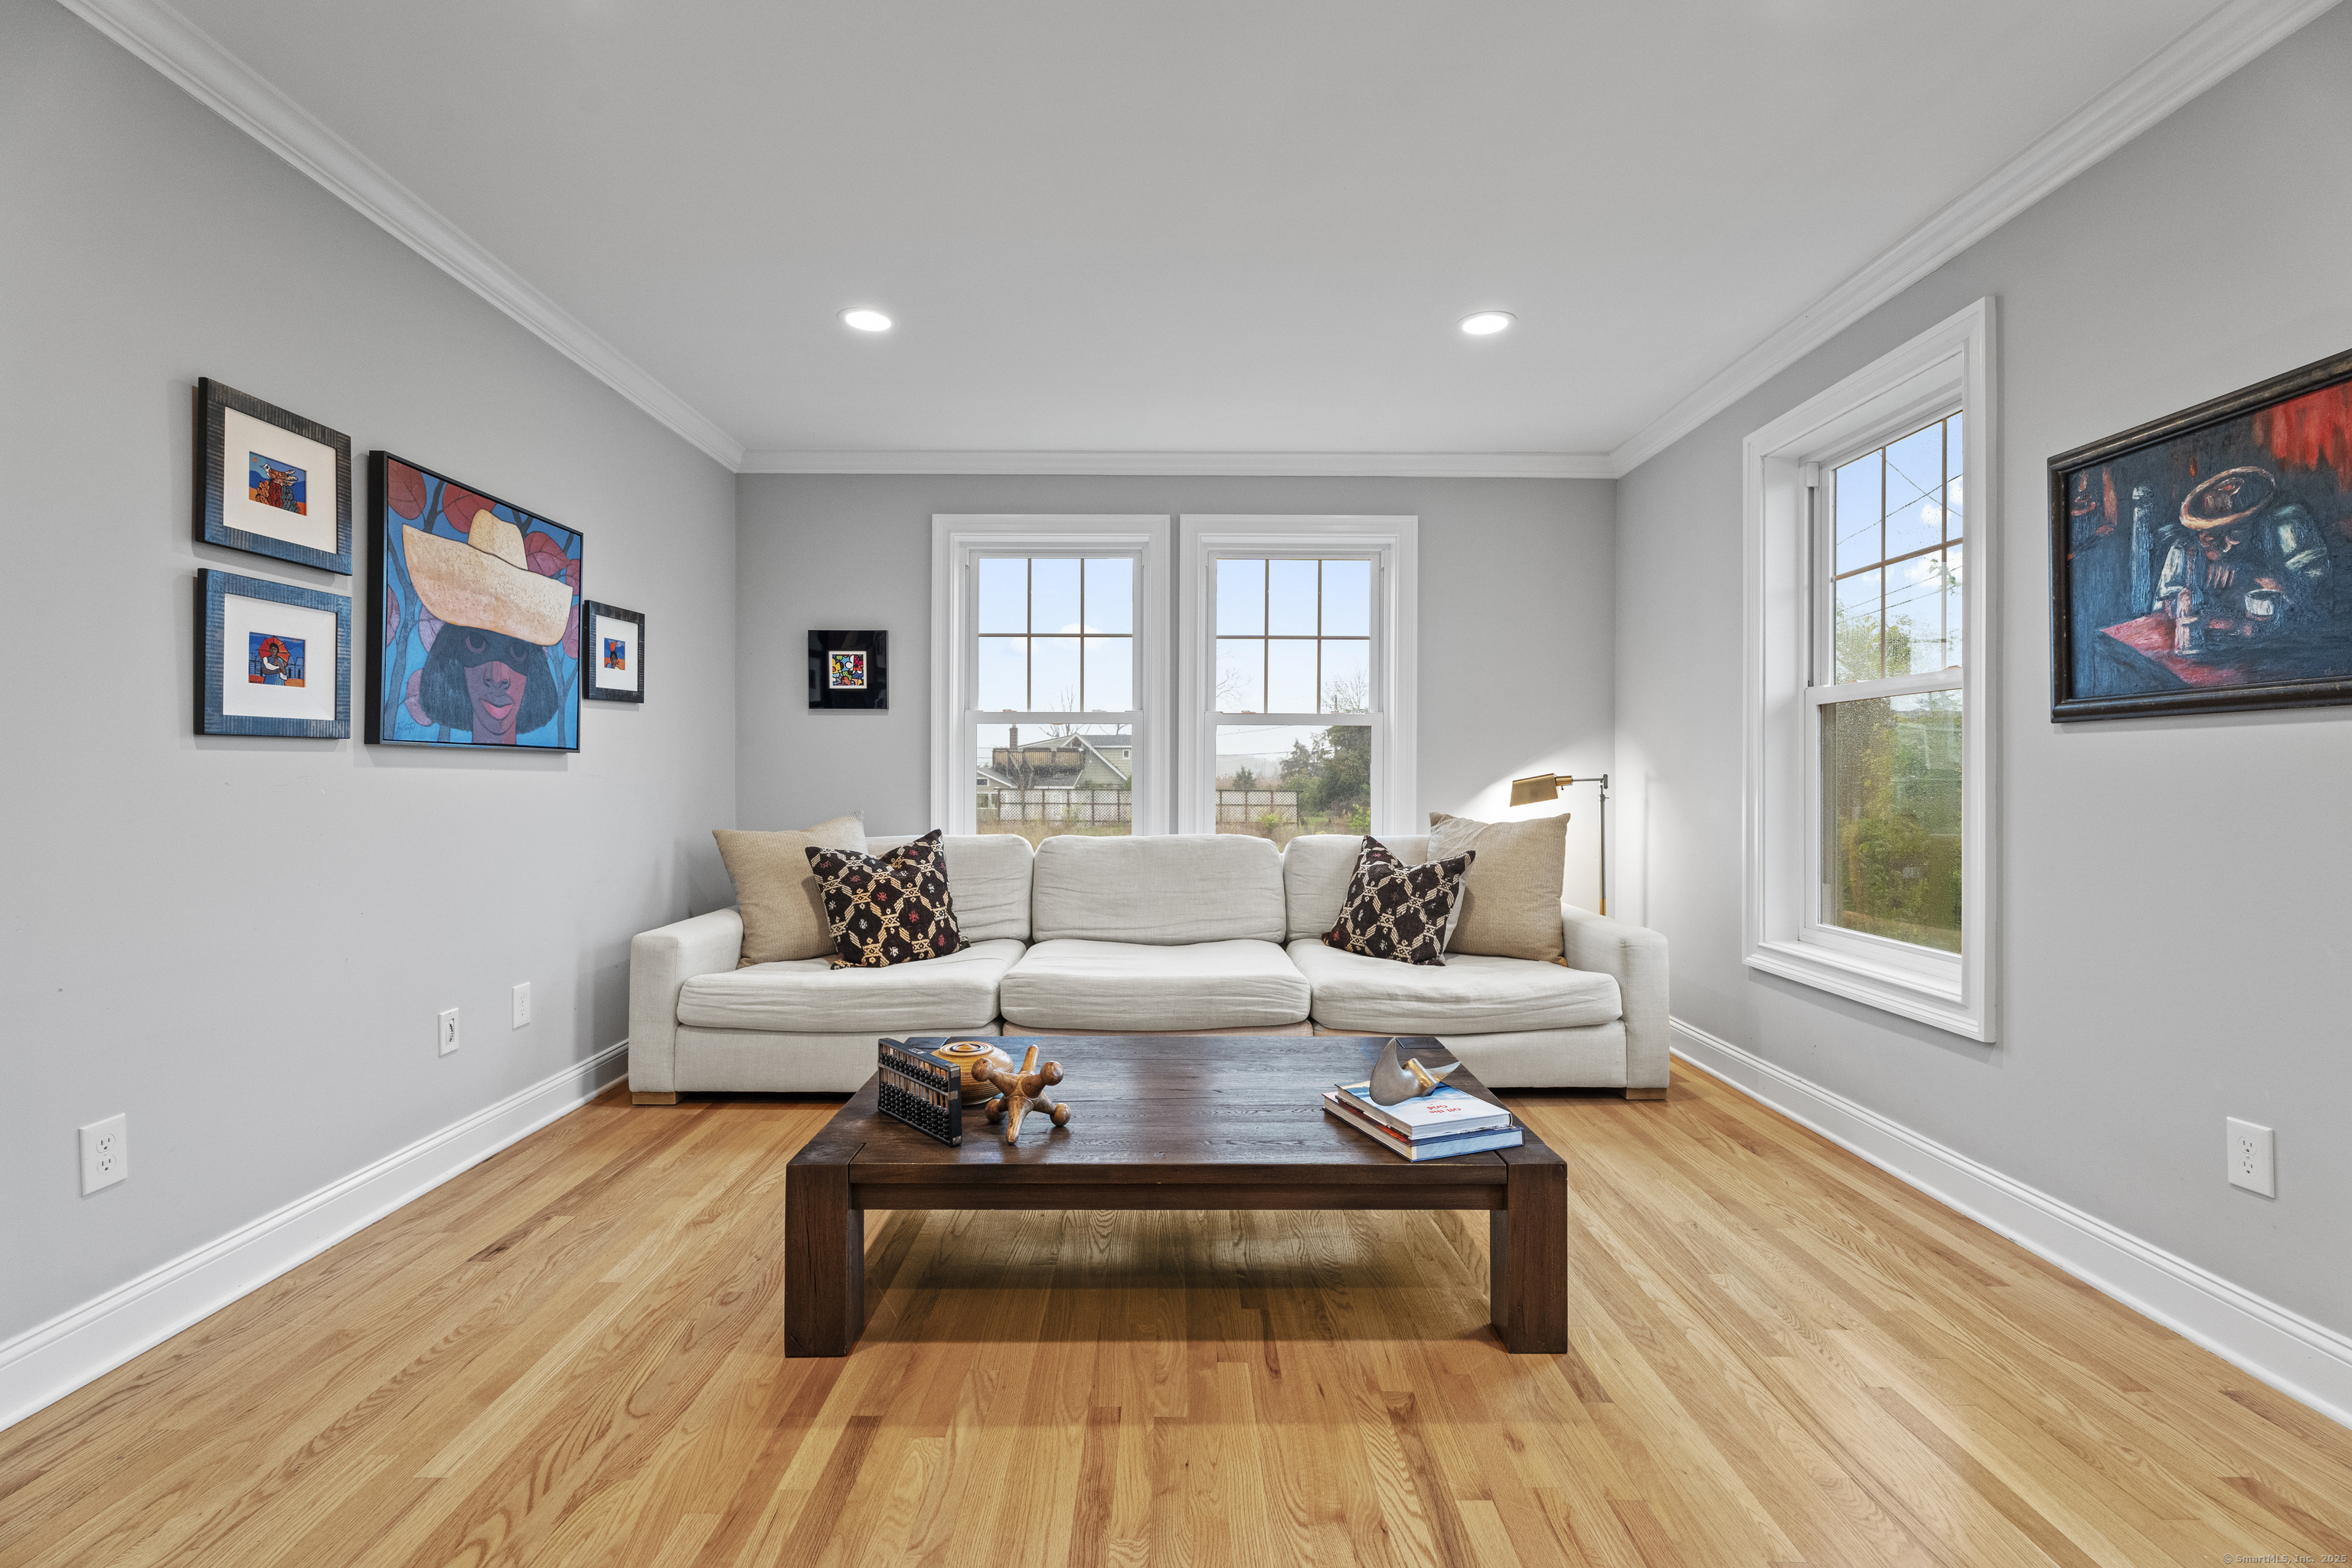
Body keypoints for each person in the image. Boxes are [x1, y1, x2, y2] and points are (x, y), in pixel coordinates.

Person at [2153, 465, 2333, 652]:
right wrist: (2235, 624)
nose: (2227, 545)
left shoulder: (2285, 523)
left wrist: (2250, 573)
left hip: (2288, 645)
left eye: (2237, 532)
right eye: (2212, 536)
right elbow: (2172, 607)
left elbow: (2312, 598)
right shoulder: (2185, 548)